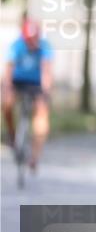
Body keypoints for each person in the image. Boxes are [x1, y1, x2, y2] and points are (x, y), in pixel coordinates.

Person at [2, 18, 53, 172]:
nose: (32, 43)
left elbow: (46, 71)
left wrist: (46, 91)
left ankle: (34, 157)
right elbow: (8, 70)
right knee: (6, 103)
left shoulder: (45, 47)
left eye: (34, 39)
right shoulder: (16, 46)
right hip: (17, 81)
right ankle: (12, 135)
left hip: (36, 84)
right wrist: (7, 87)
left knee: (42, 114)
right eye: (29, 40)